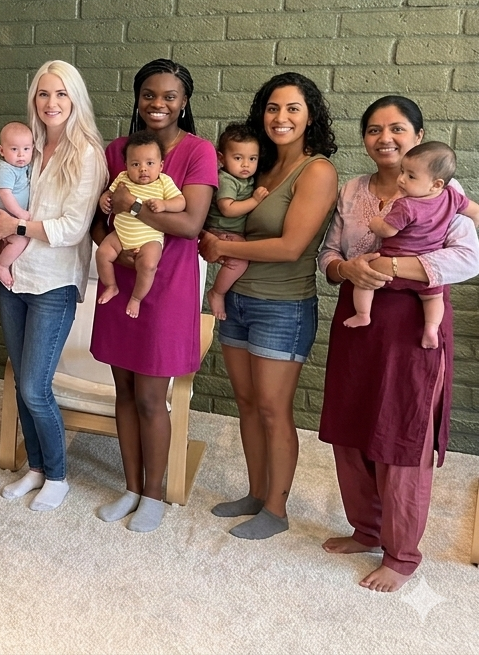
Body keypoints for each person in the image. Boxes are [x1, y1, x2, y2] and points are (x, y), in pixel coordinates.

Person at [318, 96, 479, 591]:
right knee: (350, 428)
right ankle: (365, 529)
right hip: (358, 320)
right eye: (373, 129)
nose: (384, 137)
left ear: (417, 136)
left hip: (414, 329)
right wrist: (345, 268)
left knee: (401, 438)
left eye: (397, 128)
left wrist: (389, 266)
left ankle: (402, 554)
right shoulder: (352, 190)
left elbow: (468, 259)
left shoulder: (445, 195)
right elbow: (329, 252)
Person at [199, 71, 339, 540]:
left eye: (292, 108)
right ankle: (257, 492)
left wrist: (223, 250)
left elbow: (291, 246)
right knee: (247, 402)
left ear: (310, 116)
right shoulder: (258, 168)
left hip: (283, 308)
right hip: (238, 300)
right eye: (273, 108)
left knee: (274, 410)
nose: (280, 117)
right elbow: (227, 220)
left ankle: (276, 510)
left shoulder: (316, 171)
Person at [91, 59, 217, 532]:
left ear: (185, 102)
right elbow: (98, 221)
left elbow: (189, 224)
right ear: (137, 99)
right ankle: (130, 487)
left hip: (167, 290)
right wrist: (117, 248)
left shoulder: (199, 151)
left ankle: (155, 494)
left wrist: (134, 205)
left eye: (169, 96)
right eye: (149, 94)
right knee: (121, 390)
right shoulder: (117, 149)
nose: (158, 104)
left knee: (150, 396)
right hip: (120, 281)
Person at [0, 61, 105, 511]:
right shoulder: (28, 146)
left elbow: (73, 228)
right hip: (16, 276)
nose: (51, 103)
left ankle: (57, 474)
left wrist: (16, 227)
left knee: (36, 386)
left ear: (74, 98)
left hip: (54, 282)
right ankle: (34, 467)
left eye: (60, 94)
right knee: (20, 381)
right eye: (42, 94)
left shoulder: (88, 152)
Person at [343, 142, 478, 347]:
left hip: (390, 267)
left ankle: (363, 314)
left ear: (436, 184)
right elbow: (475, 211)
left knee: (364, 281)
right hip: (426, 273)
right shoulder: (452, 197)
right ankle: (431, 329)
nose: (402, 179)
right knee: (434, 299)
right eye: (403, 172)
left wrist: (375, 222)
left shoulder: (406, 205)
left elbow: (387, 230)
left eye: (411, 176)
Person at [95, 130, 186, 318]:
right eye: (135, 164)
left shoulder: (163, 182)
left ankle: (136, 298)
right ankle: (111, 286)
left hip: (149, 238)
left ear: (161, 166)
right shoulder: (122, 178)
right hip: (120, 233)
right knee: (102, 253)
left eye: (150, 163)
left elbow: (181, 202)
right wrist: (104, 198)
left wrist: (164, 204)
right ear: (126, 165)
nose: (143, 169)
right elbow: (110, 194)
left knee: (149, 265)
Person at [205, 124, 269, 320]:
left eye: (252, 159)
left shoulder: (245, 179)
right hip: (221, 231)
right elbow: (228, 208)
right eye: (238, 158)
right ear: (221, 158)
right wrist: (255, 201)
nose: (246, 165)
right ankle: (217, 292)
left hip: (229, 231)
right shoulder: (227, 180)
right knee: (239, 261)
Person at [0, 121, 35, 289]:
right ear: (2, 150)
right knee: (19, 242)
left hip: (13, 215)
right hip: (3, 213)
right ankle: (1, 266)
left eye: (26, 149)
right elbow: (5, 194)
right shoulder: (5, 170)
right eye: (14, 149)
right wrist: (20, 213)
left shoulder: (25, 167)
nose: (21, 155)